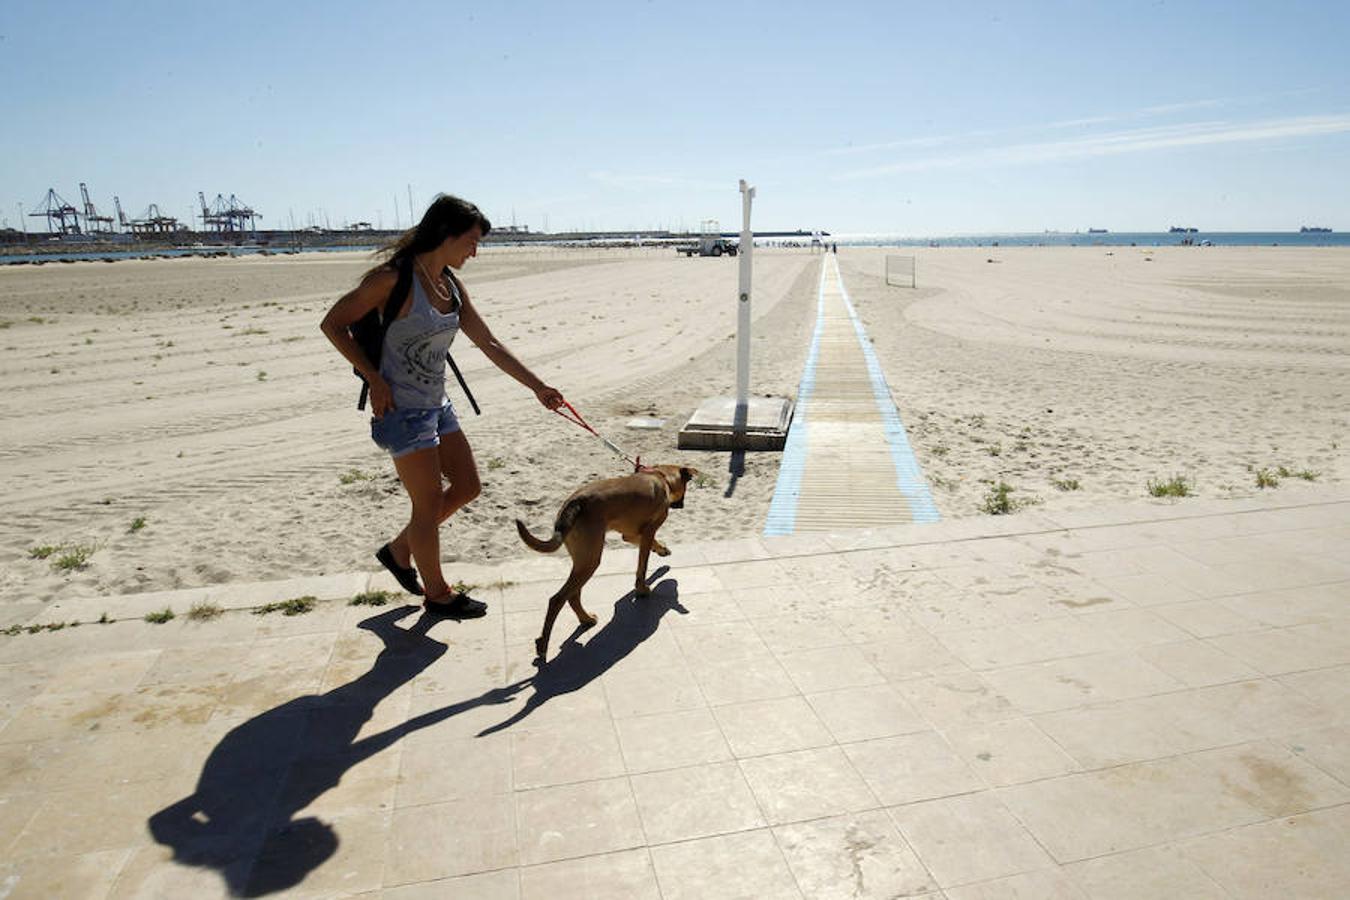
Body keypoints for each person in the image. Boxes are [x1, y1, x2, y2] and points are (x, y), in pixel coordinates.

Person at [321, 194, 564, 616]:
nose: (475, 250)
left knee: (468, 486)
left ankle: (400, 550)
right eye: (471, 240)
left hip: (437, 403)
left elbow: (487, 341)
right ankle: (436, 594)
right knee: (428, 502)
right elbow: (333, 324)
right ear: (445, 235)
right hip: (400, 408)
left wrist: (538, 387)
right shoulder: (391, 279)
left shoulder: (449, 284)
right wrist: (374, 377)